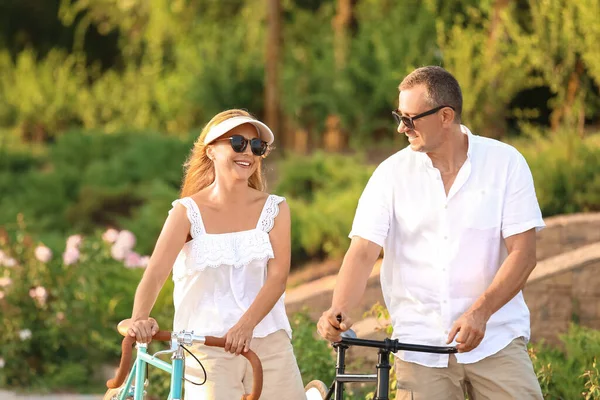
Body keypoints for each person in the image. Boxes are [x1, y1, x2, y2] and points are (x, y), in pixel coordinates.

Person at [317, 66, 545, 399]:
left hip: (496, 338)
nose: (400, 128)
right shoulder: (390, 174)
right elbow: (364, 250)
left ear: (445, 116)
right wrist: (338, 311)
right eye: (399, 116)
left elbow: (524, 254)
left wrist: (480, 312)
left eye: (409, 119)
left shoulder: (506, 163)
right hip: (420, 346)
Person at [126, 109, 305, 399]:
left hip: (270, 343)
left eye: (256, 146)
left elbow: (278, 278)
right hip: (206, 349)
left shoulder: (275, 208)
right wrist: (139, 319)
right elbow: (156, 274)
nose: (247, 152)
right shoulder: (186, 212)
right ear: (210, 150)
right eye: (237, 142)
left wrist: (245, 326)